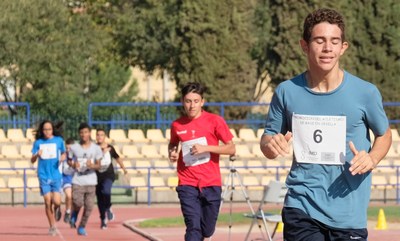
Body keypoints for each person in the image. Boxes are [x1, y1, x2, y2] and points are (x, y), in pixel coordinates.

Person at [260, 8, 392, 241]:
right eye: (319, 41)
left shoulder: (365, 93)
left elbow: (384, 135)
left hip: (349, 213)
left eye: (334, 41)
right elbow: (268, 138)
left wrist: (372, 158)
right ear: (304, 45)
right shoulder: (286, 92)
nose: (327, 48)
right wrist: (271, 145)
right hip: (301, 205)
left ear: (343, 47)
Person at [168, 82, 235, 241]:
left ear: (202, 102)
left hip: (211, 183)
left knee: (207, 230)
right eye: (188, 101)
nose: (192, 105)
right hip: (187, 182)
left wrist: (206, 148)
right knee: (193, 226)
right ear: (182, 101)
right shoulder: (177, 125)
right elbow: (173, 143)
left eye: (196, 101)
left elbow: (231, 148)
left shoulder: (215, 121)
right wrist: (172, 152)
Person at [31, 120, 66, 236]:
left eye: (49, 129)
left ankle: (58, 208)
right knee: (47, 201)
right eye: (45, 129)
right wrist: (37, 155)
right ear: (42, 130)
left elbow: (64, 153)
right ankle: (52, 226)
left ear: (52, 130)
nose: (47, 131)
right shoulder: (38, 142)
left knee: (56, 201)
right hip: (43, 175)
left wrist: (62, 157)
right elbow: (32, 159)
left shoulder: (59, 141)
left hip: (56, 175)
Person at [68, 123, 103, 236]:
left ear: (89, 133)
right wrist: (74, 164)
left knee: (89, 207)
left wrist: (91, 165)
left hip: (91, 181)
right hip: (78, 180)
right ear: (79, 133)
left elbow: (99, 165)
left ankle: (81, 227)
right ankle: (74, 213)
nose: (84, 135)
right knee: (78, 203)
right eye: (81, 132)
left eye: (86, 132)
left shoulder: (96, 148)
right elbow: (69, 161)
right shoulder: (74, 147)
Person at [95, 128, 128, 229]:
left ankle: (108, 207)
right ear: (96, 136)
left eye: (101, 135)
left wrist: (124, 168)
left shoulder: (110, 148)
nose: (100, 137)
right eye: (98, 135)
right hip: (97, 177)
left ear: (105, 137)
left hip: (108, 175)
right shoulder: (93, 148)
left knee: (106, 191)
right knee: (100, 200)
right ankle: (103, 220)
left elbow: (117, 158)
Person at [61, 138, 75, 223]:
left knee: (72, 198)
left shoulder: (76, 157)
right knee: (67, 196)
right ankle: (63, 211)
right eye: (66, 148)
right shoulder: (63, 156)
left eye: (70, 148)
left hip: (72, 179)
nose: (68, 150)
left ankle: (70, 213)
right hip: (62, 178)